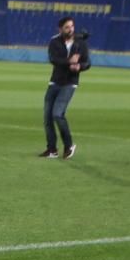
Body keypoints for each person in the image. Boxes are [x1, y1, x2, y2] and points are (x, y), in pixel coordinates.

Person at [42, 16, 90, 159]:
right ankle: (52, 149)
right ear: (60, 29)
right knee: (47, 118)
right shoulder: (54, 41)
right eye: (67, 27)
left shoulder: (81, 44)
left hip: (70, 83)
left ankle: (68, 145)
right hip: (55, 82)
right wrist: (70, 62)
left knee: (57, 113)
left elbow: (87, 63)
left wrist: (79, 66)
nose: (70, 29)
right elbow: (53, 59)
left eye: (72, 26)